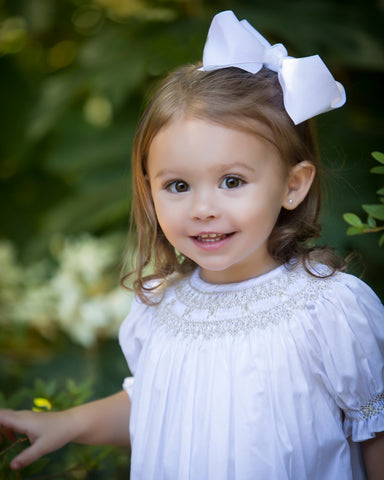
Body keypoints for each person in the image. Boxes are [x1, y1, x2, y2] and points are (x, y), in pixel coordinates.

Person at [1, 10, 383, 480]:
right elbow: (153, 405)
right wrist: (67, 422)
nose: (203, 208)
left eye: (231, 180)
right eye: (178, 186)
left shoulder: (328, 311)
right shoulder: (161, 304)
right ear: (149, 189)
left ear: (293, 184)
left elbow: (375, 434)